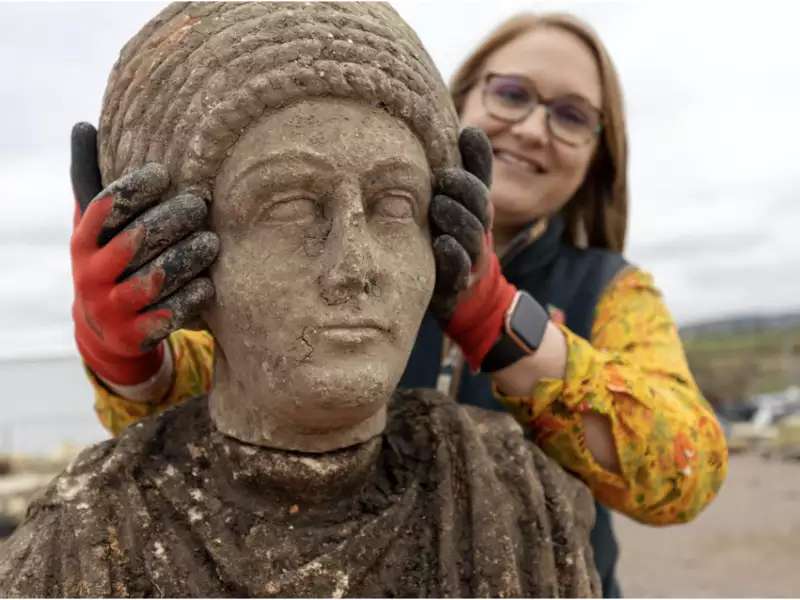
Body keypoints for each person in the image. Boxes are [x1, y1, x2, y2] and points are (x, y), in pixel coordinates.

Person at [69, 10, 728, 598]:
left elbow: (683, 473)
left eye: (572, 114)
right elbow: (191, 401)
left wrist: (500, 321)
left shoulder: (612, 289)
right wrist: (126, 355)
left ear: (598, 153)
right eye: (512, 94)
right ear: (461, 99)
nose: (533, 127)